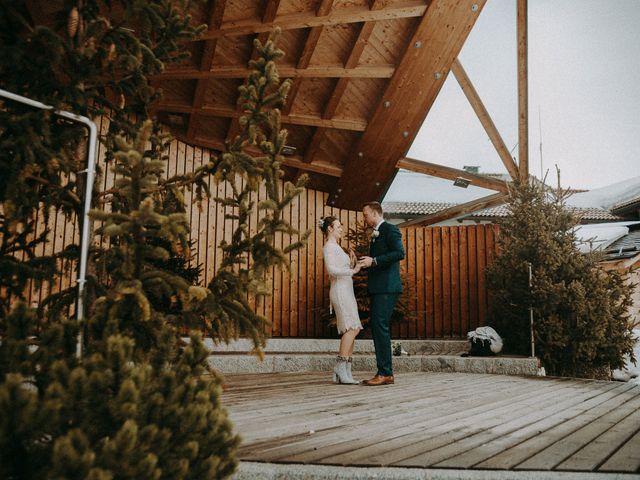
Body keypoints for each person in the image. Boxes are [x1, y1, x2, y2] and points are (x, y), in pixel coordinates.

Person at [358, 201, 404, 386]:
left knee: (380, 327)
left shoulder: (390, 230)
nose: (364, 218)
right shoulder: (376, 234)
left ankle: (385, 373)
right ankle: (385, 372)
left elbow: (399, 253)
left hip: (387, 287)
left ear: (376, 213)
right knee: (378, 327)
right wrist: (363, 262)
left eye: (366, 214)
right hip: (379, 287)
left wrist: (374, 261)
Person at [320, 216, 363, 384]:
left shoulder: (336, 246)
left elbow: (341, 268)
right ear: (329, 229)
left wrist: (352, 265)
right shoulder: (329, 247)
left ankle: (345, 371)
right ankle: (340, 366)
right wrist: (352, 271)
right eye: (338, 226)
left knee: (353, 328)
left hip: (346, 289)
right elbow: (331, 270)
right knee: (351, 328)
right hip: (340, 291)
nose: (341, 229)